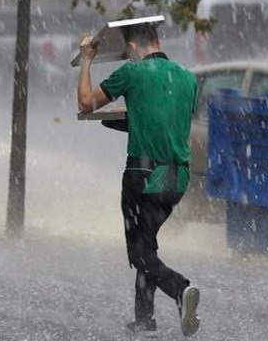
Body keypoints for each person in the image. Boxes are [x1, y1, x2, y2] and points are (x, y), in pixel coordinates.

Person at [77, 20, 200, 336]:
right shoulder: (188, 78)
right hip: (177, 178)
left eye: (128, 51)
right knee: (147, 243)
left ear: (132, 47)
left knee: (140, 252)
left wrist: (87, 60)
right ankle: (144, 318)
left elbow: (86, 103)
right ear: (157, 39)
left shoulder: (131, 73)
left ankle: (180, 289)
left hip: (143, 175)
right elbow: (167, 121)